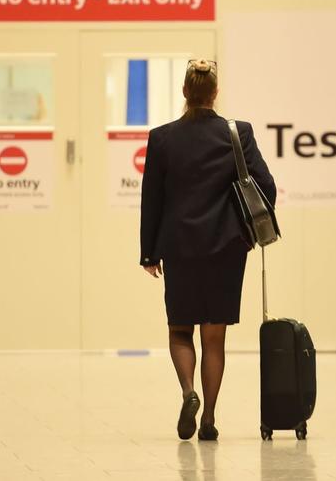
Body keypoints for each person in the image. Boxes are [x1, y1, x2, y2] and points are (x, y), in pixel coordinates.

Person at [139, 59, 276, 441]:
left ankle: (188, 392)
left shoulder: (162, 138)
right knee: (214, 337)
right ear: (214, 93)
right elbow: (266, 185)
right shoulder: (238, 133)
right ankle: (210, 419)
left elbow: (152, 198)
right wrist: (244, 230)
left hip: (179, 246)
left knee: (180, 328)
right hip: (225, 247)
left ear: (185, 92)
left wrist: (149, 253)